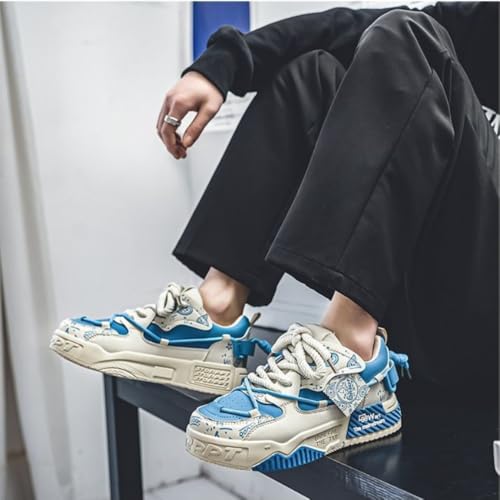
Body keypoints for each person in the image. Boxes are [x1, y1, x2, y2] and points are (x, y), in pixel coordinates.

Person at [51, 2, 498, 471]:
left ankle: (350, 360)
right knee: (316, 71)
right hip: (436, 303)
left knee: (410, 37)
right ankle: (216, 312)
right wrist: (222, 64)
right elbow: (352, 27)